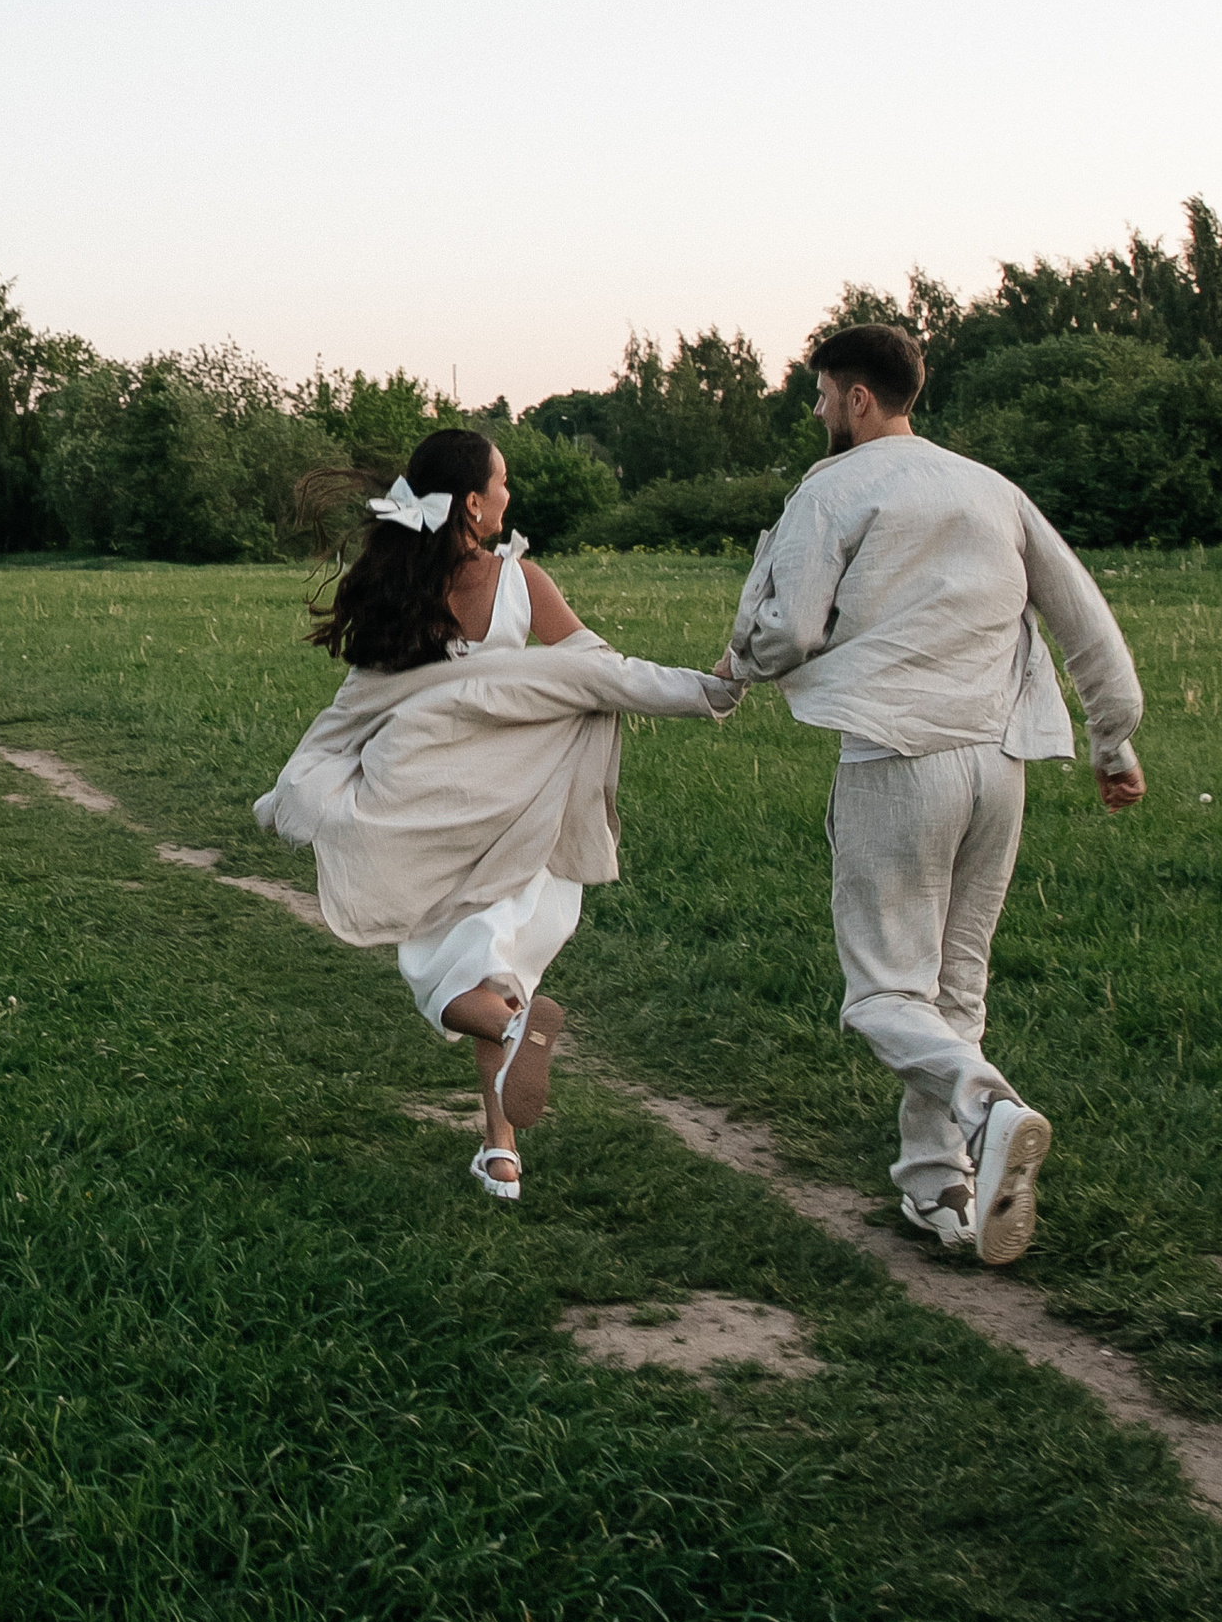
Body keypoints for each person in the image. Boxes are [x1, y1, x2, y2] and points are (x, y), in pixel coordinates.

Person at [718, 322, 1145, 1265]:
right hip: (1000, 763)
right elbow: (1085, 617)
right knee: (956, 988)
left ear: (858, 397)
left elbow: (792, 629)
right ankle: (939, 1186)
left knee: (881, 994)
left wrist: (737, 664)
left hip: (897, 753)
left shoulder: (832, 487)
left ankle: (986, 1108)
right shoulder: (991, 488)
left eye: (823, 394)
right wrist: (1113, 740)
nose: (818, 411)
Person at [255, 427, 740, 1207]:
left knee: (443, 975)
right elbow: (603, 672)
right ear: (474, 505)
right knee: (494, 967)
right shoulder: (520, 582)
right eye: (502, 482)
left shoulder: (397, 589)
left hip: (421, 808)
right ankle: (502, 1139)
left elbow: (351, 712)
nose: (510, 494)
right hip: (515, 810)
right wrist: (709, 690)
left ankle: (503, 1131)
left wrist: (291, 794)